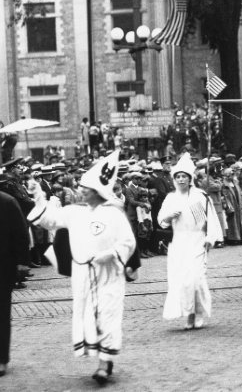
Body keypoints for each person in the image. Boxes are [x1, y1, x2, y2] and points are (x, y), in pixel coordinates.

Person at [27, 151, 136, 384]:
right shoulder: (73, 212)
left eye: (86, 187)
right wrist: (38, 198)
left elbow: (128, 242)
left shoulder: (114, 213)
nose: (81, 189)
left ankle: (104, 364)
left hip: (108, 273)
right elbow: (50, 220)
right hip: (82, 274)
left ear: (97, 190)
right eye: (81, 185)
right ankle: (100, 355)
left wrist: (111, 254)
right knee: (88, 316)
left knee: (108, 314)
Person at [158, 153, 223, 330]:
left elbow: (208, 219)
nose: (180, 180)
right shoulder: (171, 198)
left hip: (196, 241)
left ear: (190, 178)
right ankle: (189, 315)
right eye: (178, 176)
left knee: (196, 279)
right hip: (178, 242)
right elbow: (161, 221)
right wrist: (169, 216)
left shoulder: (198, 196)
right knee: (182, 281)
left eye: (184, 177)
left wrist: (210, 238)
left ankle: (199, 313)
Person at [0, 190, 31, 377]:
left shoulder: (7, 202)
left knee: (1, 314)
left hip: (2, 268)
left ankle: (1, 359)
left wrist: (22, 262)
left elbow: (20, 233)